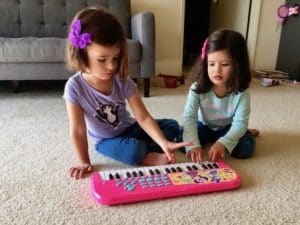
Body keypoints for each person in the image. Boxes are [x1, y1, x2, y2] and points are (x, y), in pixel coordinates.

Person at [63, 7, 191, 179]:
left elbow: (143, 117)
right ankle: (146, 154)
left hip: (130, 128)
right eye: (102, 60)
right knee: (133, 150)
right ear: (81, 55)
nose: (111, 66)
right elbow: (78, 129)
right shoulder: (74, 87)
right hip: (105, 140)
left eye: (115, 58)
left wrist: (163, 142)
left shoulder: (122, 80)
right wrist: (84, 162)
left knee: (171, 126)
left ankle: (158, 145)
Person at [183, 29, 260, 163]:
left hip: (227, 127)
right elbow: (189, 118)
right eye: (211, 64)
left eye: (225, 64)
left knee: (245, 148)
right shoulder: (197, 88)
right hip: (203, 126)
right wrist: (193, 145)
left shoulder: (242, 93)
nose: (216, 71)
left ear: (238, 65)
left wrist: (223, 143)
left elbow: (239, 124)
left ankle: (247, 132)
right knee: (183, 142)